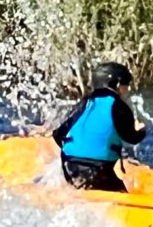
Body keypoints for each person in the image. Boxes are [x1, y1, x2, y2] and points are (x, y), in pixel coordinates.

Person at [52, 61, 146, 192]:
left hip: (70, 165)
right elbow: (131, 138)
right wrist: (141, 130)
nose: (128, 89)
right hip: (99, 168)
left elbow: (58, 135)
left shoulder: (85, 103)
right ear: (117, 84)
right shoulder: (119, 107)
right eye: (126, 84)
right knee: (120, 192)